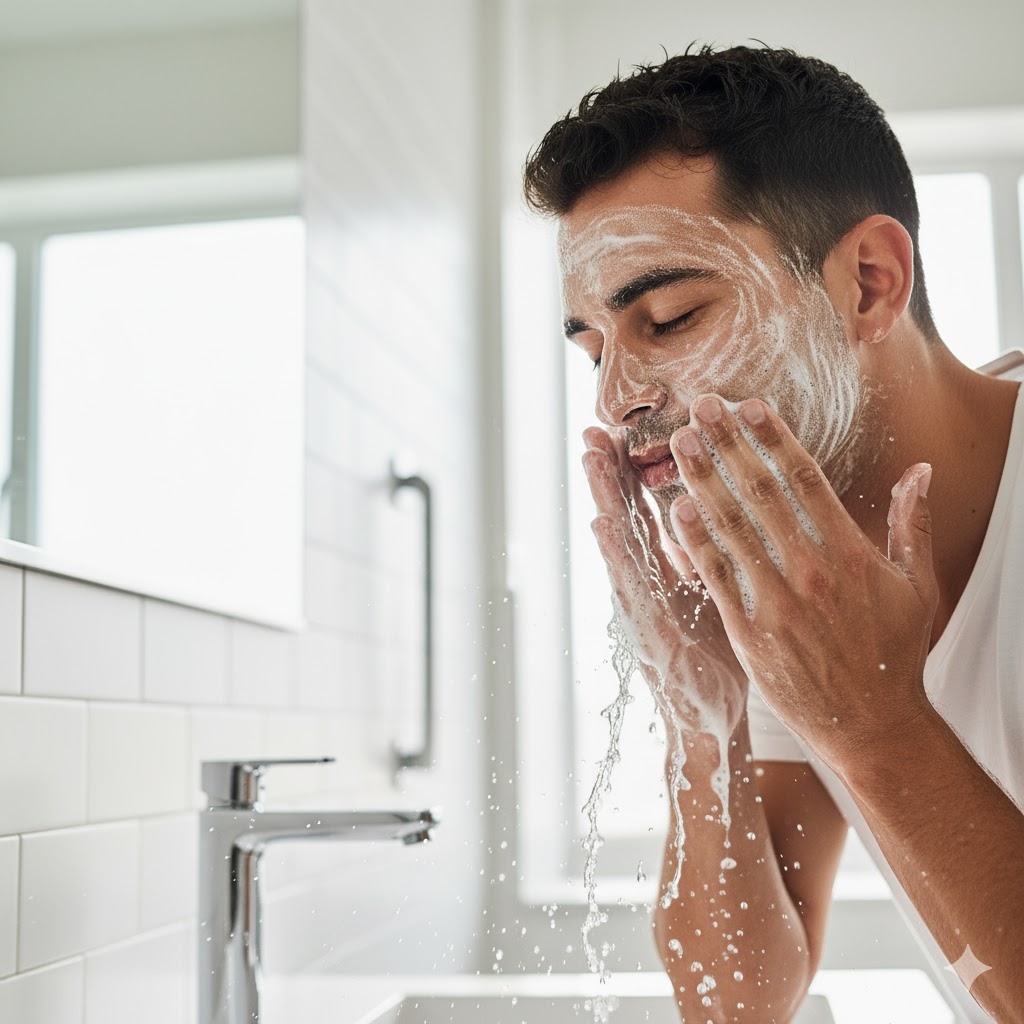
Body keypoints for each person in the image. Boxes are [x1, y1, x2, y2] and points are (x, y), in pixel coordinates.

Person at [522, 45, 1024, 1023]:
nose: (615, 400)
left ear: (869, 283)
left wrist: (875, 724)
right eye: (592, 351)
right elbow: (737, 1004)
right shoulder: (798, 576)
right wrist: (701, 721)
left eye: (669, 317)